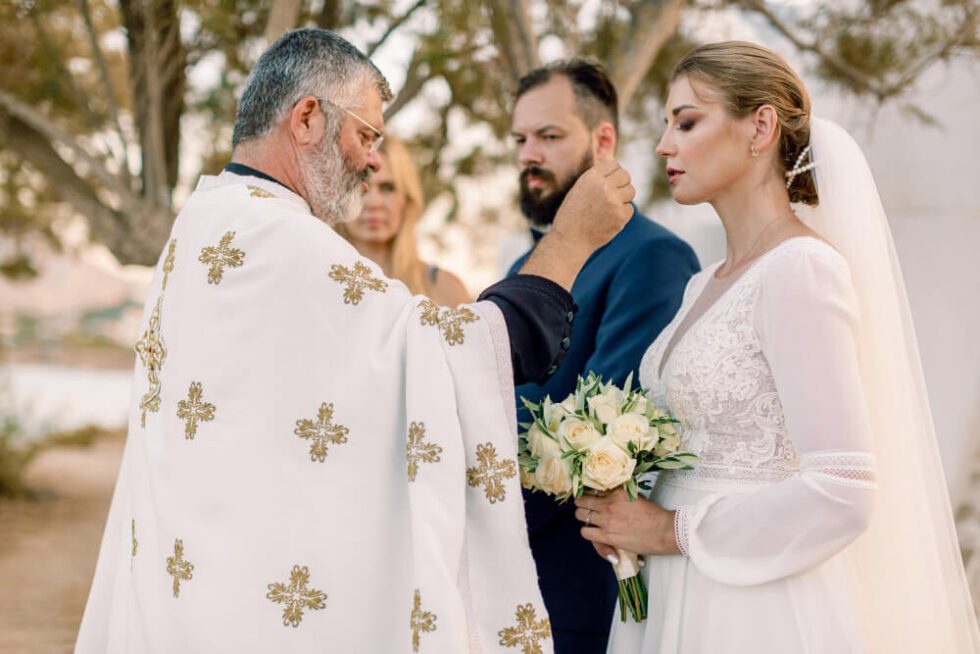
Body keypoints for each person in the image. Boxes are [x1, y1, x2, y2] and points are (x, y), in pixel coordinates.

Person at [75, 29, 637, 653]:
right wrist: (570, 240)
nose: (373, 160)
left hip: (204, 592)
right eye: (367, 135)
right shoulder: (280, 239)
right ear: (309, 117)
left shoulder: (208, 220)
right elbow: (459, 353)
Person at [573, 41, 980, 653]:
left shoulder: (801, 272)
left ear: (760, 126)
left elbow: (844, 487)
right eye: (666, 125)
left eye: (686, 121)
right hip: (671, 595)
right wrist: (627, 503)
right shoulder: (699, 285)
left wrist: (672, 529)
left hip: (752, 609)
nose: (664, 145)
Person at [507, 59, 700, 654]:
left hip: (583, 595)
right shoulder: (527, 268)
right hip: (513, 583)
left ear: (603, 140)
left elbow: (597, 427)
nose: (527, 155)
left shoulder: (654, 258)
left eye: (549, 136)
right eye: (519, 139)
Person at [334, 135, 470, 306]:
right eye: (360, 186)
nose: (374, 203)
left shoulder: (445, 289)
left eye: (388, 188)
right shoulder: (317, 281)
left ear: (407, 198)